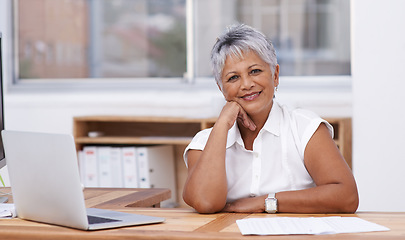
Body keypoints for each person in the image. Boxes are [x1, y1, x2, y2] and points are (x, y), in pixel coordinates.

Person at [182, 24, 358, 214]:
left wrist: (265, 202)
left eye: (255, 71)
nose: (247, 84)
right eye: (233, 78)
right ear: (221, 88)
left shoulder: (304, 128)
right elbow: (205, 202)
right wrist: (222, 123)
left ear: (275, 75)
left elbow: (346, 196)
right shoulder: (203, 143)